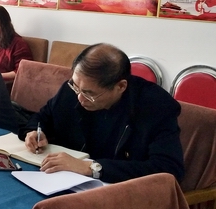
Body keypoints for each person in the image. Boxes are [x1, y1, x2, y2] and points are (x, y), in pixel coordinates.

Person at [19, 43, 184, 184]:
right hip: (62, 179)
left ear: (121, 86)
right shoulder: (73, 88)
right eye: (76, 87)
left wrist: (92, 167)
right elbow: (42, 117)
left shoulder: (156, 107)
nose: (80, 98)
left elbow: (168, 169)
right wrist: (33, 132)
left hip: (116, 190)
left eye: (89, 94)